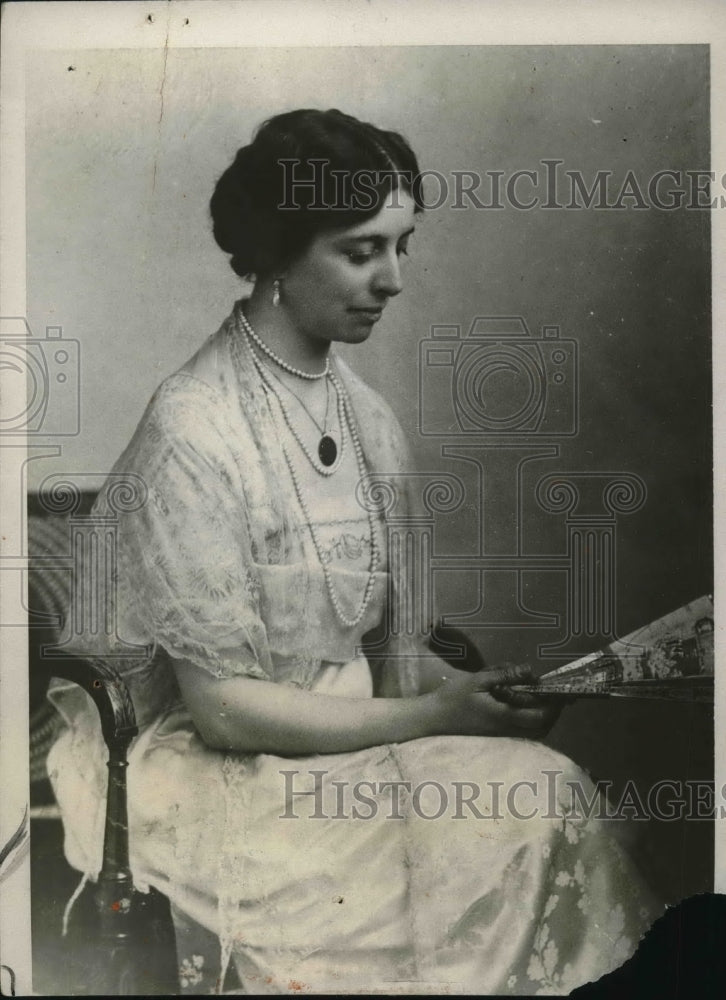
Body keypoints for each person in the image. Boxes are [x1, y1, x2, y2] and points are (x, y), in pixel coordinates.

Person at [47, 108, 660, 995]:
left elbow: (391, 660)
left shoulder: (367, 420)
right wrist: (437, 717)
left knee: (544, 790)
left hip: (350, 748)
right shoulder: (195, 429)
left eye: (402, 247)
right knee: (527, 813)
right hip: (220, 775)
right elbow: (223, 713)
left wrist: (481, 698)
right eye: (362, 250)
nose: (394, 279)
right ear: (280, 250)